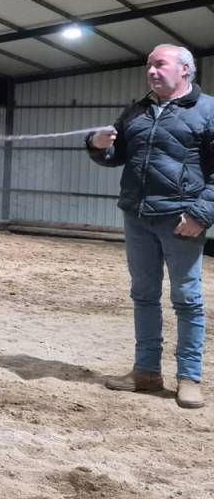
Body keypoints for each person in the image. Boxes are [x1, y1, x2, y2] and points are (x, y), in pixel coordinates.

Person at [87, 44, 210, 409]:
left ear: (185, 69)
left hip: (182, 219)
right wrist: (97, 145)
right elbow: (115, 156)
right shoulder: (138, 110)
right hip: (137, 216)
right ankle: (146, 372)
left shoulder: (209, 110)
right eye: (149, 66)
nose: (151, 71)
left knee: (187, 300)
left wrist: (202, 214)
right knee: (143, 296)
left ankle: (189, 377)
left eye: (160, 65)